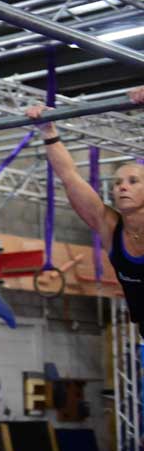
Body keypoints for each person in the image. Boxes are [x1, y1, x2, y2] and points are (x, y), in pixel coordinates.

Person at [26, 85, 144, 327]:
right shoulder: (110, 227)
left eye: (133, 181)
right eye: (118, 183)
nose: (123, 187)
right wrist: (48, 131)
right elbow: (70, 177)